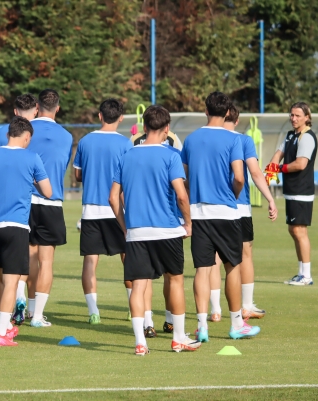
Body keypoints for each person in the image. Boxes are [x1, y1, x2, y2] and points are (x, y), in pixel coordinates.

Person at [110, 105, 200, 355]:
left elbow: (113, 198)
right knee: (175, 281)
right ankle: (179, 338)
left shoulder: (127, 155)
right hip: (167, 231)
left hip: (137, 232)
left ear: (144, 126)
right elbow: (181, 196)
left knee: (138, 286)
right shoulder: (171, 156)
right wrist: (188, 223)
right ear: (167, 128)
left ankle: (140, 342)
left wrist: (125, 227)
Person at [181, 91, 260, 342]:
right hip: (226, 213)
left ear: (206, 110)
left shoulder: (191, 139)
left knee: (202, 270)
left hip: (198, 213)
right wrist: (232, 196)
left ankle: (202, 326)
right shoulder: (233, 139)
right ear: (227, 113)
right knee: (232, 267)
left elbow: (184, 178)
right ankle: (236, 324)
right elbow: (240, 177)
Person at [0, 116, 52, 346]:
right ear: (27, 137)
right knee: (12, 282)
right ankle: (1, 333)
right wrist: (30, 180)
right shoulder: (32, 157)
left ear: (7, 134)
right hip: (16, 227)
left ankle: (5, 325)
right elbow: (48, 191)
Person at [207, 104, 278, 321]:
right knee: (245, 254)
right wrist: (270, 199)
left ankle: (215, 310)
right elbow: (254, 172)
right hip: (239, 206)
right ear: (237, 120)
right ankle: (246, 306)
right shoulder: (243, 140)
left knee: (214, 259)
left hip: (212, 206)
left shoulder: (207, 138)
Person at [72, 99, 132, 324]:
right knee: (128, 259)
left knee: (90, 261)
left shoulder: (85, 141)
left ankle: (93, 312)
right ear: (121, 118)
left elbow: (77, 175)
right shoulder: (126, 144)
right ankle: (133, 307)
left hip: (91, 210)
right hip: (118, 211)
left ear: (99, 116)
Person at [0, 93, 38, 325]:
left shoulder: (0, 135)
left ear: (15, 111)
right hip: (27, 206)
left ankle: (6, 314)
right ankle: (24, 301)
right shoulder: (38, 136)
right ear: (36, 110)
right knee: (32, 254)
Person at [26, 89, 73, 328]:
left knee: (28, 257)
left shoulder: (25, 130)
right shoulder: (67, 136)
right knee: (46, 261)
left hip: (25, 201)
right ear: (58, 108)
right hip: (51, 202)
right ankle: (37, 315)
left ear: (37, 107)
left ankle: (26, 307)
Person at [266, 102, 317, 286]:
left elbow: (300, 164)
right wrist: (270, 172)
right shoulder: (290, 135)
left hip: (301, 191)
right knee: (293, 230)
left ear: (307, 117)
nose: (293, 118)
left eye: (297, 115)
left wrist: (278, 169)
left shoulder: (307, 137)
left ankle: (307, 276)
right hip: (291, 191)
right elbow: (278, 154)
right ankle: (301, 273)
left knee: (299, 230)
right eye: (292, 115)